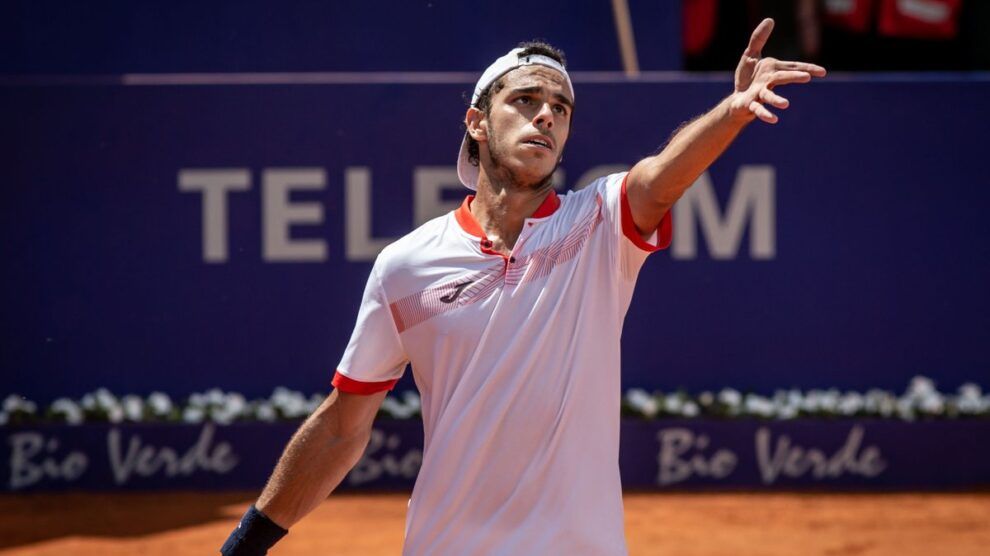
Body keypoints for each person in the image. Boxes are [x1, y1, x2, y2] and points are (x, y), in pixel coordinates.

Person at [221, 18, 825, 556]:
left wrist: (732, 110)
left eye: (560, 109)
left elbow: (658, 180)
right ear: (477, 122)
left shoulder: (599, 223)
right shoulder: (404, 266)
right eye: (526, 99)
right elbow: (341, 427)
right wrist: (248, 540)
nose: (546, 115)